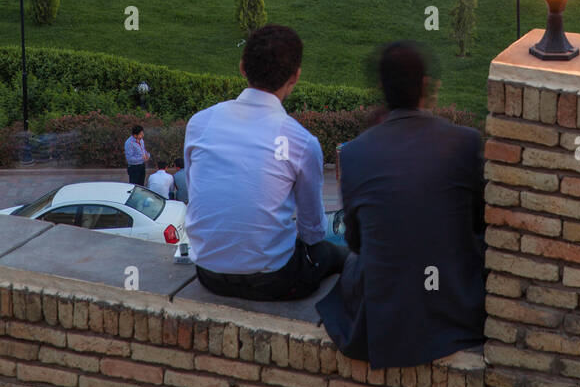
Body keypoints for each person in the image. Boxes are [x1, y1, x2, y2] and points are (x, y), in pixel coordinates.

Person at [317, 41, 484, 369]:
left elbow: (357, 242)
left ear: (381, 88)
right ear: (425, 85)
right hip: (456, 308)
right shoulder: (465, 142)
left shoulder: (354, 154)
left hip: (385, 321)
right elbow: (478, 224)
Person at [185, 25, 348, 301]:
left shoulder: (200, 123)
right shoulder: (301, 142)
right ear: (295, 76)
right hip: (274, 282)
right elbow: (313, 232)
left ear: (242, 68)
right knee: (336, 254)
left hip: (208, 273)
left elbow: (199, 194)